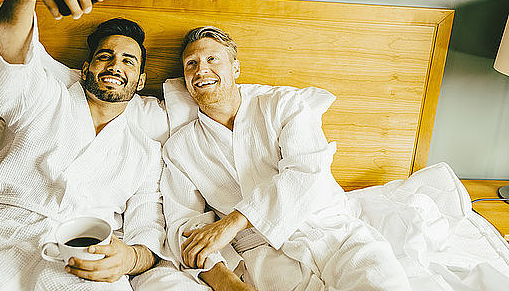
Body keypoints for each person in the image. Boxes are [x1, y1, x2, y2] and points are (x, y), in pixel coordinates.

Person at [0, 0, 209, 291]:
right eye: (105, 56)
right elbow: (11, 56)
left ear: (141, 80)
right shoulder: (43, 98)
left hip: (80, 252)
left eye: (128, 61)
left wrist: (128, 259)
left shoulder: (146, 151)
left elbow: (148, 226)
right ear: (85, 69)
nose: (115, 65)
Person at [160, 26, 412, 291]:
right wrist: (229, 283)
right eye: (191, 64)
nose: (201, 70)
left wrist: (232, 222)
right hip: (263, 258)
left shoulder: (282, 104)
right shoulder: (180, 148)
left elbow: (306, 171)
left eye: (212, 59)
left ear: (235, 69)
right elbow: (184, 225)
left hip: (333, 234)